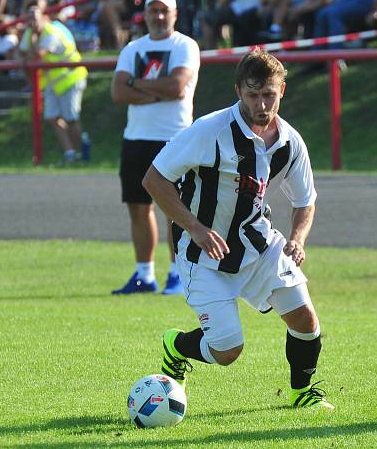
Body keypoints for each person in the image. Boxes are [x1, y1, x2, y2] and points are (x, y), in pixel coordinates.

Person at [141, 48, 334, 410]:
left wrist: (297, 238)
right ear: (238, 91)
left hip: (259, 244)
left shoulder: (290, 143)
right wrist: (195, 227)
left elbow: (305, 200)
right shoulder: (209, 131)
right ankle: (175, 346)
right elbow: (154, 179)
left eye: (269, 94)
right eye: (253, 94)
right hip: (202, 252)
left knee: (306, 320)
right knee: (227, 351)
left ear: (282, 90)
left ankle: (301, 393)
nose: (261, 104)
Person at [110, 0, 199, 296]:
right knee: (137, 207)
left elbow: (176, 87)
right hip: (136, 138)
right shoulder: (133, 49)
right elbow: (118, 93)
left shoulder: (185, 45)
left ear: (175, 14)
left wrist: (137, 84)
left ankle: (177, 273)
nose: (159, 17)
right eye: (153, 11)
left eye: (165, 11)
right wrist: (154, 91)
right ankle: (144, 274)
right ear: (145, 14)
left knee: (175, 209)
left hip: (173, 138)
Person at [18, 3, 88, 165]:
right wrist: (24, 56)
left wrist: (28, 50)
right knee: (52, 117)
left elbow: (37, 56)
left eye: (34, 18)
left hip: (71, 78)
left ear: (44, 17)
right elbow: (21, 53)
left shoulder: (51, 32)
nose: (32, 23)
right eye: (29, 19)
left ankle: (81, 154)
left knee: (71, 118)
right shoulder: (30, 32)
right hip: (53, 82)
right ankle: (70, 153)